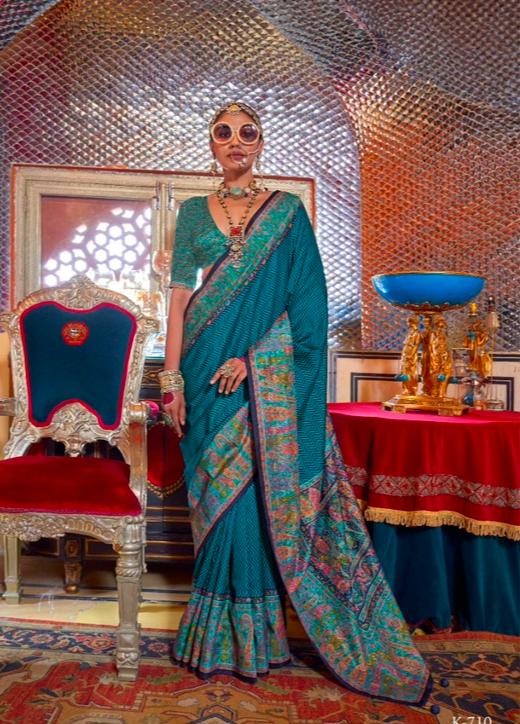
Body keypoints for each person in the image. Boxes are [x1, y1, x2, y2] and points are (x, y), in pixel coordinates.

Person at [161, 101, 430, 703]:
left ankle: (251, 641)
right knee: (213, 498)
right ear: (211, 144)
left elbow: (307, 307)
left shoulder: (286, 213)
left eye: (247, 132)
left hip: (252, 374)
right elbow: (178, 300)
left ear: (261, 143)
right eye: (224, 132)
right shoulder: (191, 212)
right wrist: (171, 380)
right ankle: (212, 635)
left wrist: (253, 359)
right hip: (201, 369)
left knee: (247, 504)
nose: (236, 140)